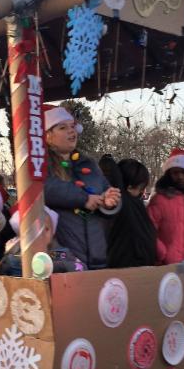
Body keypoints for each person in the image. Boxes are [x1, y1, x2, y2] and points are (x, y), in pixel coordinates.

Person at [43, 105, 121, 270]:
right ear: (48, 136)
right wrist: (83, 199)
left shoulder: (89, 163)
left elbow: (106, 191)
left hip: (97, 257)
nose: (71, 131)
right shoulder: (42, 164)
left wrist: (110, 202)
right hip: (64, 259)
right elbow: (46, 188)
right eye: (62, 128)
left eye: (72, 126)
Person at [0, 206, 86, 276]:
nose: (41, 233)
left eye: (46, 229)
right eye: (34, 230)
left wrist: (57, 265)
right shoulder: (15, 257)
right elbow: (1, 276)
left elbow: (82, 268)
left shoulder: (61, 254)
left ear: (52, 232)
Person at [101, 157, 157, 268]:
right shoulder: (125, 203)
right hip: (130, 264)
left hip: (127, 263)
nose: (142, 192)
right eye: (140, 188)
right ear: (130, 187)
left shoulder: (132, 204)